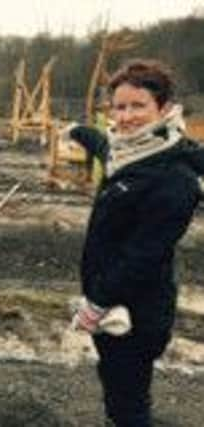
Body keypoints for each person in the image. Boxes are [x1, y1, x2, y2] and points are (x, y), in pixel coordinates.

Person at [71, 59, 204, 426]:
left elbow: (143, 255)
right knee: (117, 389)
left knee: (129, 403)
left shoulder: (175, 178)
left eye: (138, 106)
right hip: (112, 305)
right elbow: (104, 145)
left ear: (162, 108)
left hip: (136, 311)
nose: (126, 117)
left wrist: (96, 302)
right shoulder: (129, 150)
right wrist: (76, 131)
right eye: (119, 106)